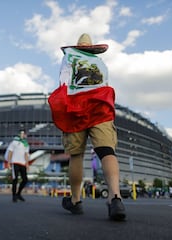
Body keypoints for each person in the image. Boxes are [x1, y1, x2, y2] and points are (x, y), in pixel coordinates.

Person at [48, 33, 126, 221]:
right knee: (107, 151)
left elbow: (64, 83)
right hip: (100, 106)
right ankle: (115, 198)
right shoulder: (100, 63)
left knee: (76, 155)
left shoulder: (69, 57)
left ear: (77, 46)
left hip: (76, 107)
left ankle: (75, 200)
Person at [6, 129, 30, 202]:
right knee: (15, 179)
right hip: (15, 162)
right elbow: (10, 152)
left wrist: (27, 164)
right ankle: (14, 196)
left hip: (22, 163)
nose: (23, 135)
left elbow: (26, 154)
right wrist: (9, 162)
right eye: (21, 133)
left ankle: (18, 193)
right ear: (19, 134)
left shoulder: (26, 144)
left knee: (25, 179)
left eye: (24, 134)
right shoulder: (14, 142)